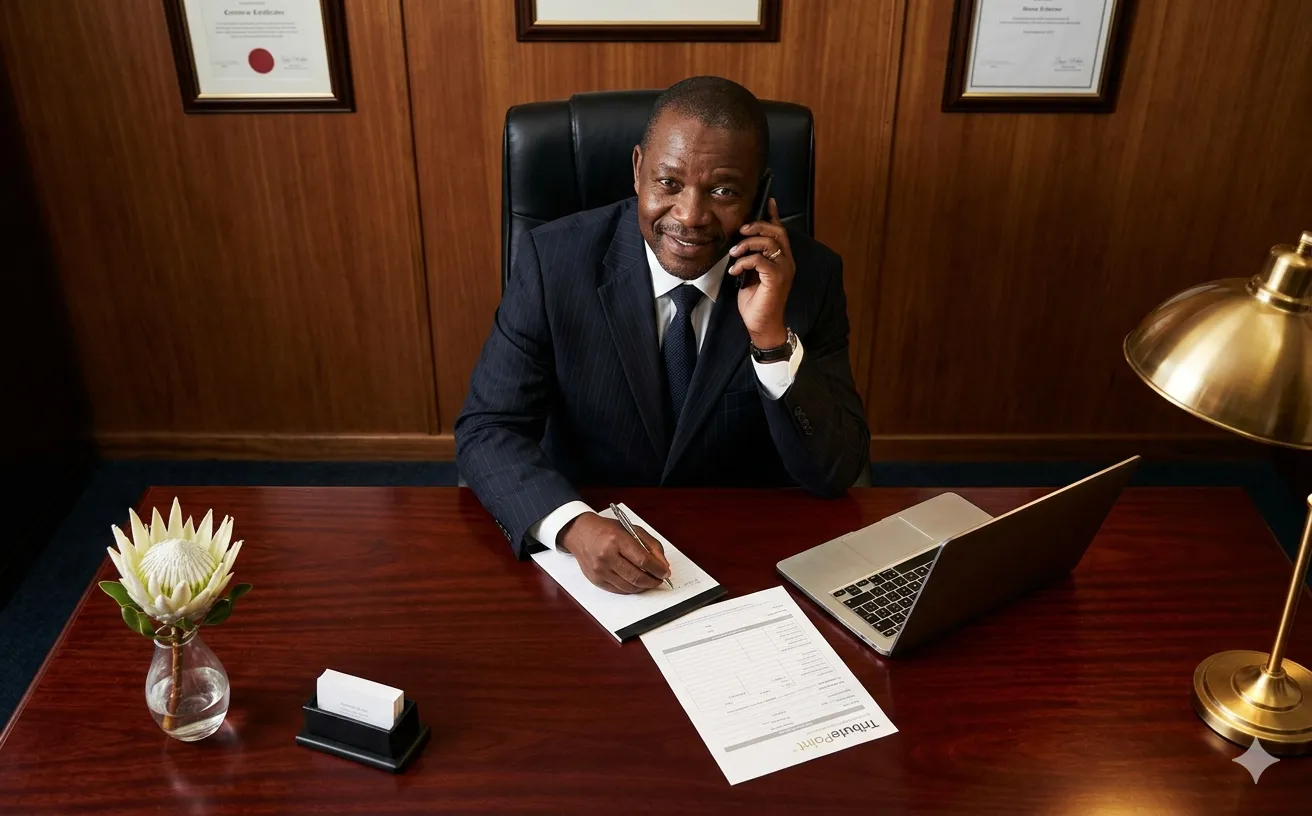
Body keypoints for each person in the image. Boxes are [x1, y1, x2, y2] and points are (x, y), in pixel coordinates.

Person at [456, 76, 869, 594]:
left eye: (722, 190)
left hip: (745, 560)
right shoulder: (554, 262)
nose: (690, 216)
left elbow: (835, 471)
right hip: (586, 557)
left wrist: (770, 337)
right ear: (636, 171)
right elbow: (488, 428)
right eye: (668, 183)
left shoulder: (809, 277)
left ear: (761, 192)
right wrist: (572, 526)